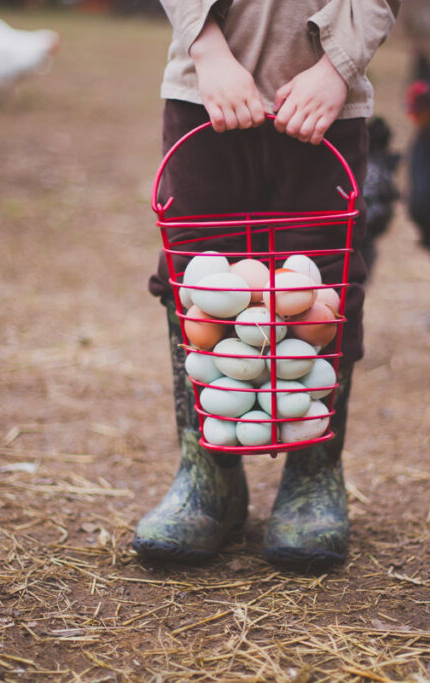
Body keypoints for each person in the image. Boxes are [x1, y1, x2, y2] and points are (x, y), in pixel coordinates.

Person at [134, 0, 400, 569]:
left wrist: (338, 66)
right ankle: (210, 472)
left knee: (323, 282)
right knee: (198, 279)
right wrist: (207, 49)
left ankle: (314, 471)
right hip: (201, 87)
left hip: (329, 96)